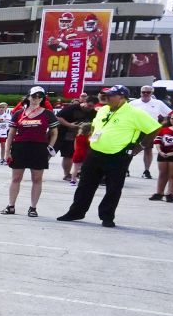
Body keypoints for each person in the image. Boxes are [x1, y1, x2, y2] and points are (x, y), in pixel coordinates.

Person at [57, 85, 161, 227]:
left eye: (112, 95)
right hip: (95, 151)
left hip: (118, 155)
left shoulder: (134, 112)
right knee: (85, 185)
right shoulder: (103, 109)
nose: (108, 97)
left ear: (122, 97)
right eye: (107, 94)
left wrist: (140, 146)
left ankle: (107, 216)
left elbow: (154, 128)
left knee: (113, 188)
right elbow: (96, 126)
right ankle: (76, 212)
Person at [1, 87, 57, 217]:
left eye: (40, 96)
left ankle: (33, 208)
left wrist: (50, 148)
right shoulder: (19, 113)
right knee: (16, 178)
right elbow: (11, 134)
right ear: (28, 97)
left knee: (37, 179)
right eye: (34, 96)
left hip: (39, 148)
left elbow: (54, 133)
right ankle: (11, 206)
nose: (36, 98)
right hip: (20, 147)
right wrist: (7, 151)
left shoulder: (48, 114)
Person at [128, 85, 171, 179]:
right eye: (144, 92)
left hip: (149, 130)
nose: (145, 94)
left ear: (152, 93)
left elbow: (169, 114)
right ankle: (126, 168)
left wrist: (161, 125)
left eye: (148, 92)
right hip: (135, 129)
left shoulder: (158, 103)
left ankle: (146, 170)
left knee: (148, 149)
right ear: (140, 92)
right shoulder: (133, 103)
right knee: (130, 149)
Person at [54, 93, 95, 181]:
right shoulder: (72, 108)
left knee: (68, 155)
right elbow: (58, 117)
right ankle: (37, 169)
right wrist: (69, 125)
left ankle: (67, 174)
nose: (90, 108)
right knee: (49, 152)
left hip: (73, 137)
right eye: (89, 105)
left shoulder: (93, 112)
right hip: (60, 133)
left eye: (92, 107)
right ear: (84, 102)